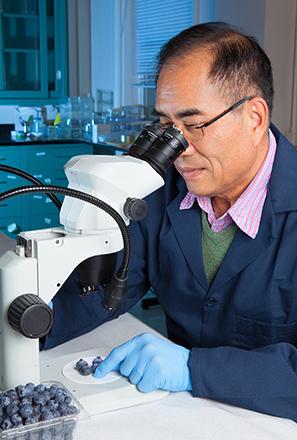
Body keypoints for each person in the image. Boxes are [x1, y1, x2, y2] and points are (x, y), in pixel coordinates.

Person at [44, 22, 297, 422]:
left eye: (194, 124)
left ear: (254, 117)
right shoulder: (162, 194)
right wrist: (27, 323)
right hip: (181, 418)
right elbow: (102, 289)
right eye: (166, 126)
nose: (178, 149)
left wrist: (194, 370)